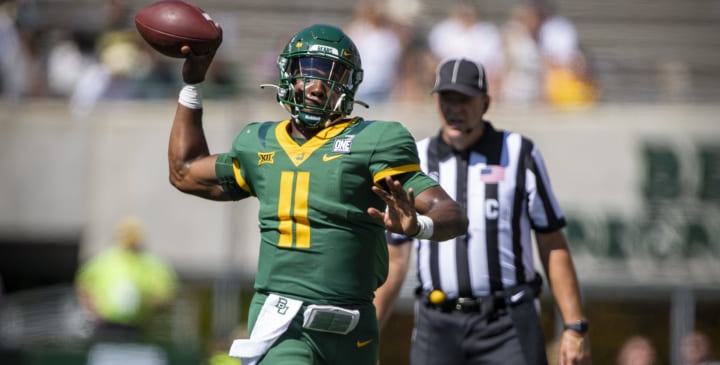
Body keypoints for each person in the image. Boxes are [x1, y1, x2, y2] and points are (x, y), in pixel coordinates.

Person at [166, 23, 467, 365]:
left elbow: (452, 215)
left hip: (354, 325)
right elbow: (185, 171)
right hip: (285, 318)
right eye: (306, 73)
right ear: (288, 77)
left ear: (349, 84)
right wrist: (192, 84)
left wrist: (418, 227)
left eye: (330, 75)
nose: (316, 87)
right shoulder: (258, 142)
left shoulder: (375, 140)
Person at [374, 58, 590, 365]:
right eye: (447, 98)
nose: (454, 108)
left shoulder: (518, 153)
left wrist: (574, 325)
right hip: (437, 323)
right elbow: (396, 258)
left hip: (507, 321)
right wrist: (368, 333)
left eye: (464, 99)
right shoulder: (416, 157)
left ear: (485, 102)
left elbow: (551, 241)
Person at [75, 216, 178, 343]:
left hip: (140, 327)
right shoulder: (104, 260)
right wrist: (94, 311)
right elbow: (83, 286)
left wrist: (151, 308)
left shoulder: (152, 263)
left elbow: (166, 293)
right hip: (106, 326)